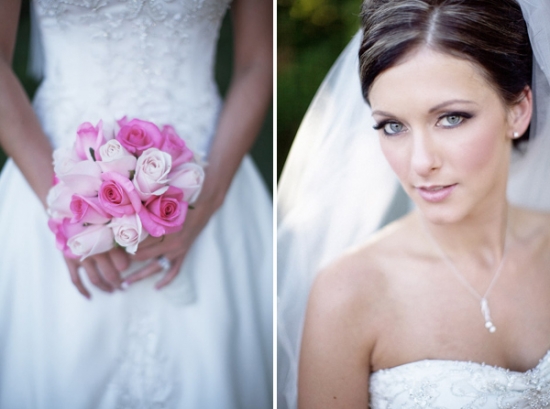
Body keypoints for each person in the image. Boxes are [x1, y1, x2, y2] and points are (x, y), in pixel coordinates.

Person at [0, 0, 272, 408]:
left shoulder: (209, 198)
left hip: (208, 177)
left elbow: (259, 58)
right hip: (52, 169)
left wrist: (207, 201)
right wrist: (65, 208)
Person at [278, 0, 550, 407]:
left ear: (519, 110)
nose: (421, 162)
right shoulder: (348, 293)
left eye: (451, 118)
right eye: (393, 126)